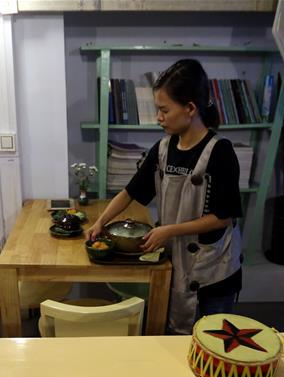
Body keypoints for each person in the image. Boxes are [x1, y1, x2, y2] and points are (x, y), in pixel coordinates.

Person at [86, 59, 243, 335]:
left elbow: (221, 218)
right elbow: (130, 192)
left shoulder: (220, 152)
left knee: (212, 341)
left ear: (190, 108)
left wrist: (169, 230)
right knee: (177, 335)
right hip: (178, 261)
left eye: (164, 110)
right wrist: (100, 222)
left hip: (214, 270)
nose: (158, 117)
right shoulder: (163, 149)